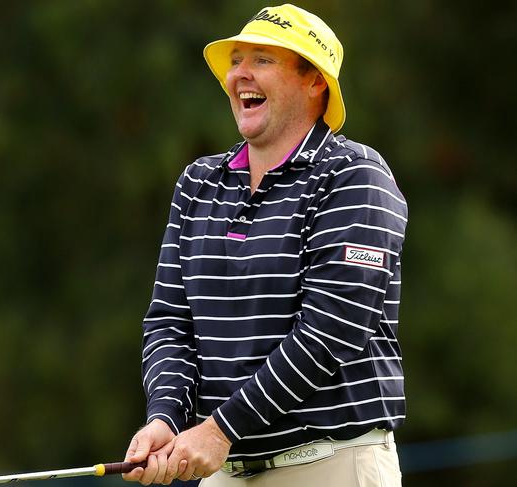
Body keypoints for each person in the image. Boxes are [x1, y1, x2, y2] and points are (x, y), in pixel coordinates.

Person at [123, 4, 407, 486]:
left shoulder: (354, 177)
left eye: (263, 60)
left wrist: (218, 430)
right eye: (236, 60)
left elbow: (329, 331)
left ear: (314, 81)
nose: (240, 75)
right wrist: (166, 418)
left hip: (332, 465)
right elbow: (170, 320)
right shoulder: (199, 183)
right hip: (227, 470)